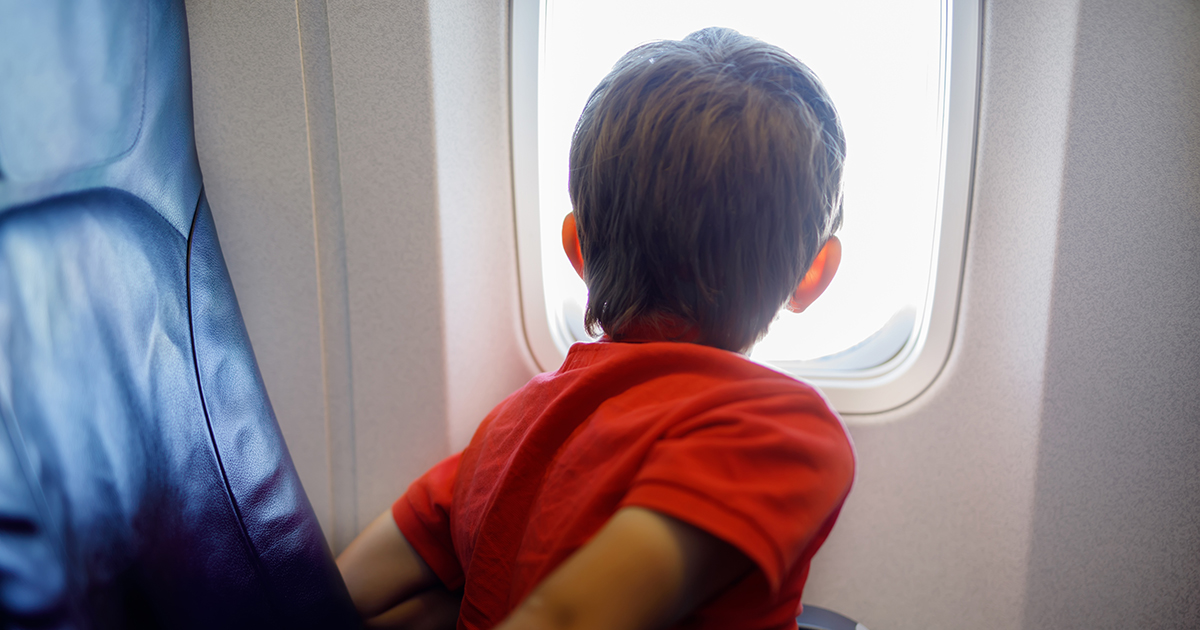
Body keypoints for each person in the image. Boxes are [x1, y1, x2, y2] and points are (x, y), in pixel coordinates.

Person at [337, 26, 854, 630]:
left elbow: (332, 594)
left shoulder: (508, 430)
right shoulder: (776, 430)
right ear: (814, 274)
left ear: (577, 249)